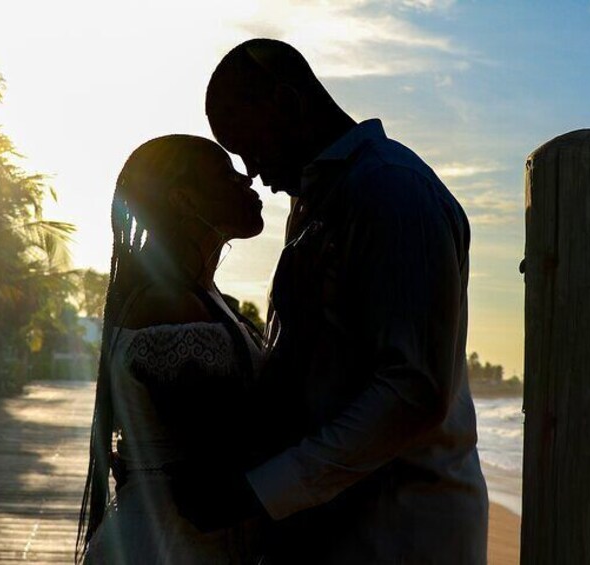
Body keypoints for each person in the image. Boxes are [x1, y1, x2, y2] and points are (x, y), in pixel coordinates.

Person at [171, 39, 489, 564]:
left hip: (400, 535)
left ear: (287, 104)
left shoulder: (391, 190)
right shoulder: (319, 201)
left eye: (250, 145)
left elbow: (414, 390)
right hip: (342, 533)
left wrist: (262, 489)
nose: (252, 170)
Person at [76, 134, 267, 564]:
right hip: (170, 545)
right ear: (183, 200)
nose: (247, 179)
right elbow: (213, 467)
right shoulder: (171, 305)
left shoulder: (197, 296)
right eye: (226, 174)